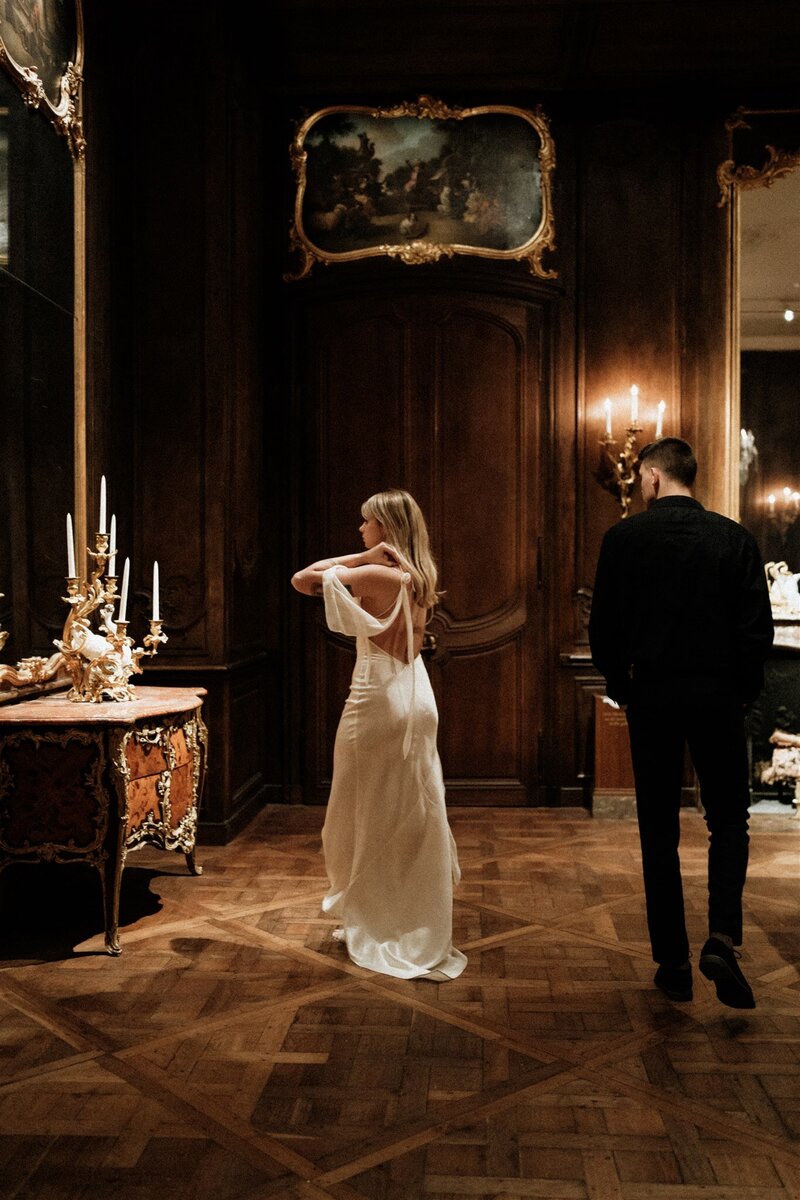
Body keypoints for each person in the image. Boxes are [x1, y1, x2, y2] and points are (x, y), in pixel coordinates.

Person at [588, 437, 774, 1009]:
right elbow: (755, 631)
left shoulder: (624, 538)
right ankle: (721, 936)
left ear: (649, 477)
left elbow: (604, 629)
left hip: (653, 695)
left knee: (658, 829)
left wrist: (624, 688)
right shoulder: (734, 539)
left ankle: (672, 962)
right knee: (729, 820)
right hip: (718, 694)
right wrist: (741, 694)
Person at [291, 488, 467, 982]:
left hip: (377, 701)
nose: (360, 531)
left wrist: (361, 557)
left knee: (362, 808)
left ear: (385, 529)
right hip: (415, 695)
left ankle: (382, 916)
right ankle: (408, 913)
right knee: (412, 811)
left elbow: (303, 579)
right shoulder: (419, 576)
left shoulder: (377, 573)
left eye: (366, 524)